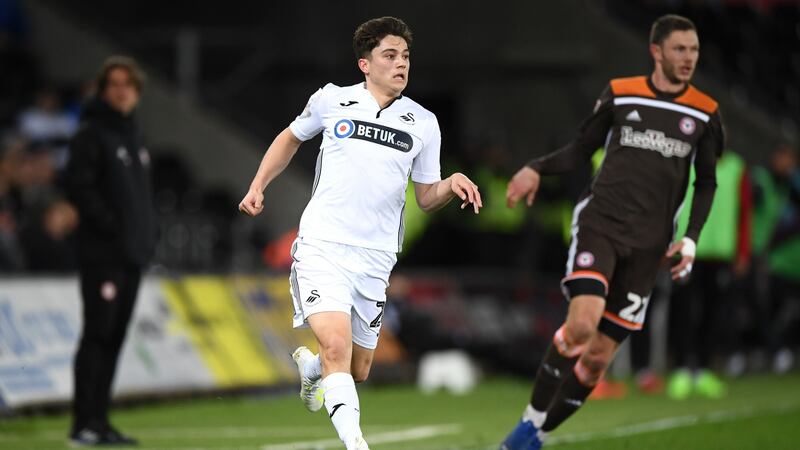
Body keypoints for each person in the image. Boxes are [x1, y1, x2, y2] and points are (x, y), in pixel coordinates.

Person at [238, 16, 481, 450]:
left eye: (405, 56)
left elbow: (426, 196)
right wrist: (258, 186)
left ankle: (312, 371)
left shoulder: (423, 122)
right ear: (365, 64)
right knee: (336, 345)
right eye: (390, 55)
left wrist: (451, 182)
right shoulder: (332, 100)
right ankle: (357, 444)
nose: (401, 64)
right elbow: (290, 138)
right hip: (323, 246)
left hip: (376, 257)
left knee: (359, 366)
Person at [501, 14, 724, 449]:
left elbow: (708, 182)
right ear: (656, 51)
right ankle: (528, 422)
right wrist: (535, 168)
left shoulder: (705, 112)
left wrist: (691, 238)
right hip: (601, 224)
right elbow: (581, 150)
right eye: (679, 49)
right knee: (581, 325)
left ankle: (537, 438)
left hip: (650, 245)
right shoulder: (622, 94)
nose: (688, 58)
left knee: (598, 359)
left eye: (694, 50)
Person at [65, 56, 157, 446]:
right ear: (103, 90)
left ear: (136, 92)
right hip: (103, 255)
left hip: (130, 256)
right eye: (114, 84)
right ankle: (82, 423)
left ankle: (99, 422)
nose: (121, 91)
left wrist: (143, 236)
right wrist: (115, 229)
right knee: (97, 335)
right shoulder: (91, 133)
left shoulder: (132, 136)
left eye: (128, 84)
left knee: (115, 337)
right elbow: (78, 188)